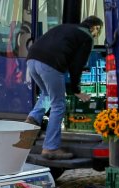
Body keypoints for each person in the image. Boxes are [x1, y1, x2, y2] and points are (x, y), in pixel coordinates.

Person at [24, 16, 103, 160]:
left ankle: (33, 118)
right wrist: (76, 90)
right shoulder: (86, 37)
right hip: (50, 63)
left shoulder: (67, 27)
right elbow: (77, 66)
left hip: (32, 60)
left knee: (47, 94)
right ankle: (51, 148)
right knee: (58, 105)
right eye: (98, 31)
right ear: (95, 27)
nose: (97, 35)